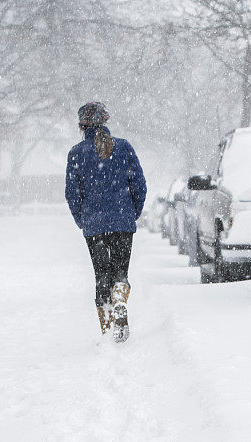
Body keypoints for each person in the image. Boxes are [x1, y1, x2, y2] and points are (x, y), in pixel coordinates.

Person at [65, 102, 146, 342]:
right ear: (106, 122)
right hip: (122, 221)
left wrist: (83, 219)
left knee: (101, 275)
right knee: (120, 271)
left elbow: (72, 194)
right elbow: (139, 185)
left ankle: (108, 329)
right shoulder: (123, 147)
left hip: (94, 224)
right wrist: (132, 212)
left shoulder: (76, 153)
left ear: (82, 126)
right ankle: (120, 300)